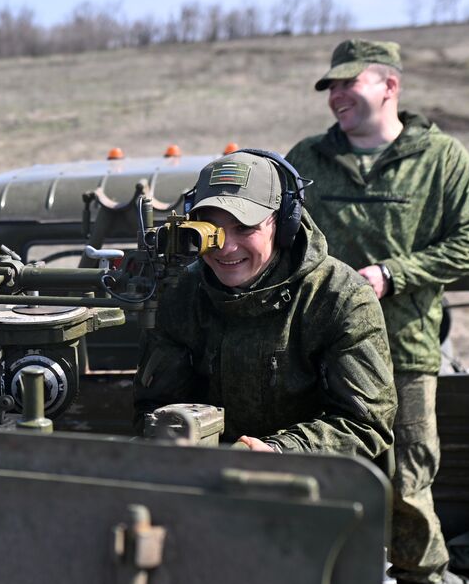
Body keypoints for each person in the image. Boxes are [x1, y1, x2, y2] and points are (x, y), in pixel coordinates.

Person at [286, 39, 469, 584]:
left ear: (390, 87)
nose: (337, 96)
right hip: (317, 346)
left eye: (349, 84)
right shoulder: (307, 158)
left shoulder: (441, 158)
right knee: (315, 467)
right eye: (331, 88)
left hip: (404, 347)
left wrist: (393, 274)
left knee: (408, 474)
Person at [134, 149, 395, 461]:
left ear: (284, 224)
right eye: (212, 230)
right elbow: (153, 407)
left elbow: (366, 423)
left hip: (315, 480)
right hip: (210, 478)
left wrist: (279, 451)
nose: (227, 248)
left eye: (245, 228)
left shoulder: (340, 298)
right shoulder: (184, 295)